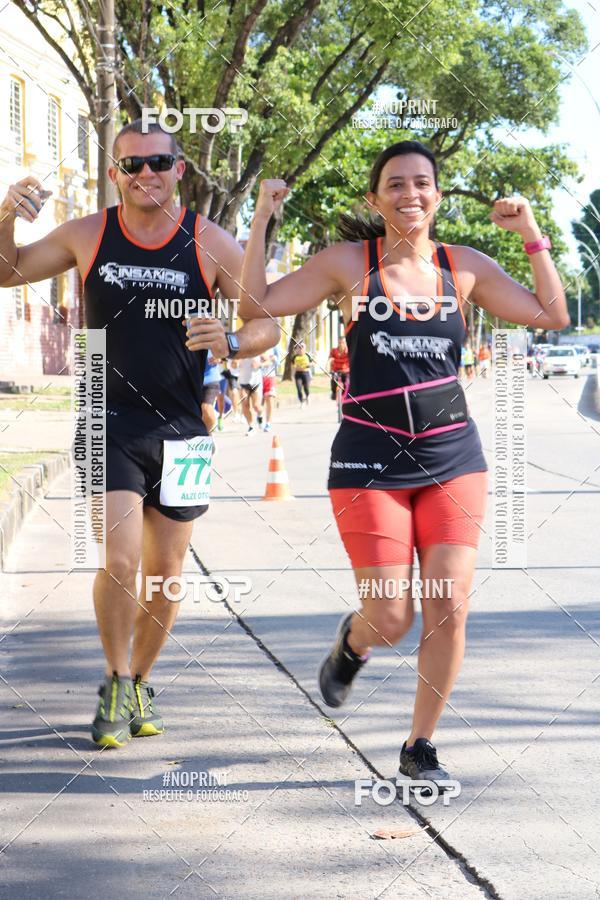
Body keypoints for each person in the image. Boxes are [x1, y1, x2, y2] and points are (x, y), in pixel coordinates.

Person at [239, 140, 568, 787]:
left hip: (452, 458)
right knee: (391, 617)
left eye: (422, 183)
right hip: (368, 461)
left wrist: (532, 234)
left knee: (449, 604)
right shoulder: (347, 265)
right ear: (374, 198)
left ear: (437, 195)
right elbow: (257, 307)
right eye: (395, 184)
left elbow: (551, 314)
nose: (409, 194)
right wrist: (260, 221)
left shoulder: (464, 268)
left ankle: (421, 745)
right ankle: (353, 642)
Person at [0, 119, 279, 748]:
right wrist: (5, 215)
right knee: (122, 561)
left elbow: (264, 322)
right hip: (108, 418)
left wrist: (232, 342)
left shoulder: (208, 241)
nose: (145, 174)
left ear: (180, 168)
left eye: (158, 162)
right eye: (131, 165)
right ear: (115, 174)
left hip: (185, 428)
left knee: (167, 573)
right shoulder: (88, 234)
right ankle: (116, 679)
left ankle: (141, 681)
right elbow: (6, 270)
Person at [238, 355, 264, 435]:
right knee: (245, 405)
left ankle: (260, 415)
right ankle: (251, 426)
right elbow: (233, 363)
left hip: (255, 382)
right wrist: (236, 362)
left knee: (256, 406)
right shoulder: (241, 350)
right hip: (243, 382)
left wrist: (260, 364)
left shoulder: (258, 349)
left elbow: (268, 360)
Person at [260, 344, 280, 432]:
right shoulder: (257, 346)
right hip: (258, 377)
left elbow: (278, 362)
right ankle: (259, 417)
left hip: (270, 377)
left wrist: (272, 358)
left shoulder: (274, 347)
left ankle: (268, 423)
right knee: (259, 402)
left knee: (269, 398)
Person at [201, 355, 222, 432]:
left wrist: (221, 358)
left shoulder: (212, 343)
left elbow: (228, 350)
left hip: (211, 381)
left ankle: (207, 434)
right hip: (192, 382)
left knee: (206, 408)